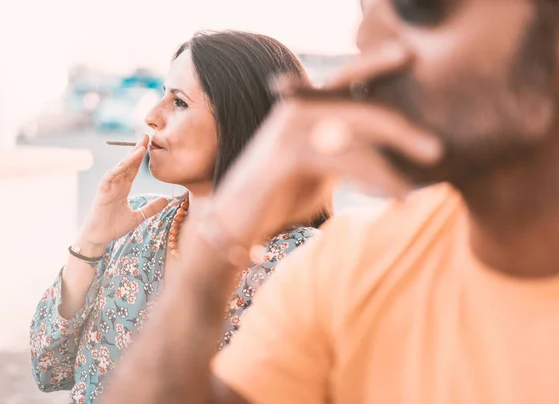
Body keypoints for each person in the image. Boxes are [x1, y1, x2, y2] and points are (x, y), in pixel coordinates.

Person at [100, 0, 559, 403]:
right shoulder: (349, 262)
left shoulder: (309, 255)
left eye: (421, 6)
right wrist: (221, 236)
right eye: (364, 11)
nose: (367, 38)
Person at [29, 30, 331, 403]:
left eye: (180, 103)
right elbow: (49, 367)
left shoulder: (299, 263)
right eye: (162, 95)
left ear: (242, 122)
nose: (151, 117)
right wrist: (91, 240)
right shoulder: (136, 226)